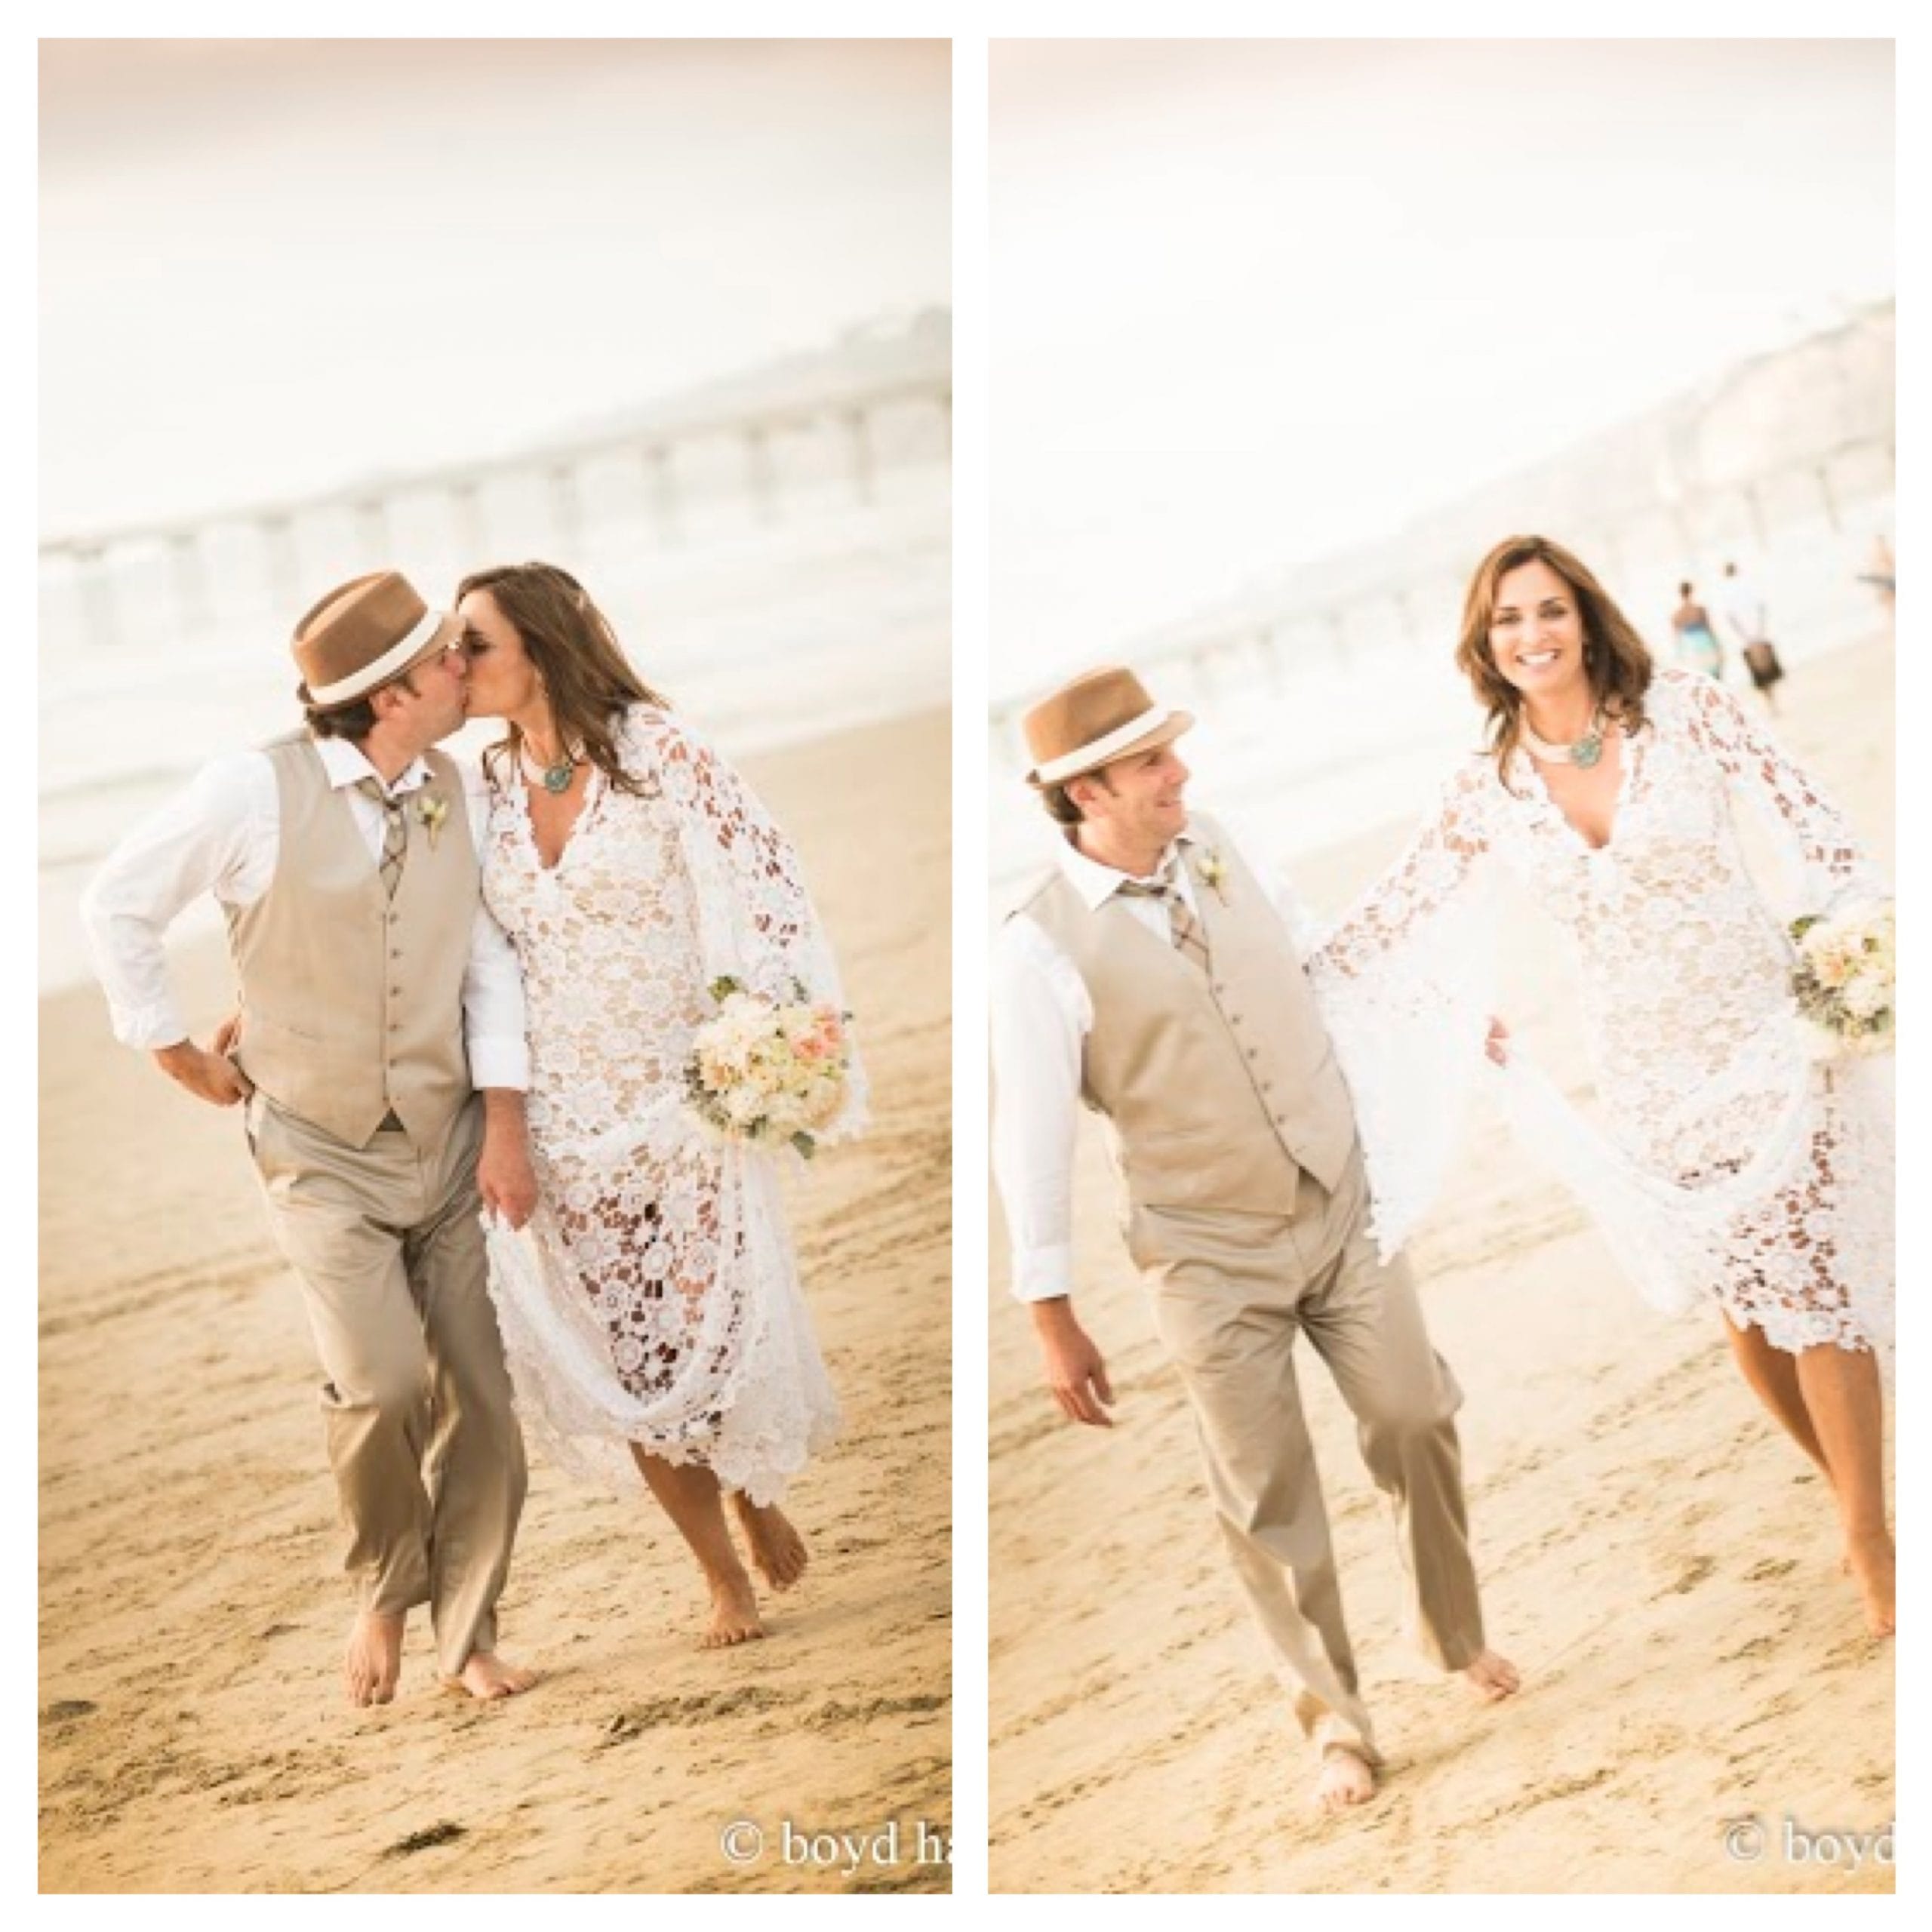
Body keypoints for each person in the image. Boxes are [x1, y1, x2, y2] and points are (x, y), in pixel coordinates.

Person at [1309, 535, 1894, 1639]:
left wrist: (1846, 948)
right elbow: (1385, 922)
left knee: (1813, 1283)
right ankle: (1856, 1496)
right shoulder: (1482, 790)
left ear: (1586, 618)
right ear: (1484, 648)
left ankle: (1870, 1542)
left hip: (1767, 1035)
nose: (1531, 636)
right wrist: (1330, 999)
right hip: (1647, 1079)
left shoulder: (1689, 711)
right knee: (1748, 1311)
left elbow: (1815, 823)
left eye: (1548, 611)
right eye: (1507, 621)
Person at [989, 666, 1519, 1817]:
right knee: (1269, 1493)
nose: (1180, 773)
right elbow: (1025, 1136)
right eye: (1151, 764)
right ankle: (1338, 1726)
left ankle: (1452, 1628)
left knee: (1415, 1411)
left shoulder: (1228, 848)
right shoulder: (1034, 951)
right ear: (1087, 792)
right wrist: (1050, 1309)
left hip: (1340, 1203)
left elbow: (1323, 962)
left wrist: (1438, 1016)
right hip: (1205, 1255)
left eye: (1172, 755)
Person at [81, 569, 540, 1707]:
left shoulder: (460, 789)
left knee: (481, 1391)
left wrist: (502, 1121)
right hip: (317, 1149)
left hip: (445, 1138)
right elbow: (117, 902)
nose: (461, 670)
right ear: (388, 696)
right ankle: (389, 1585)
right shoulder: (251, 790)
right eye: (445, 658)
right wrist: (173, 1048)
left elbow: (485, 961)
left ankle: (468, 1632)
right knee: (382, 1386)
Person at [454, 561, 857, 1650]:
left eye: (475, 643)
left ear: (538, 645)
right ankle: (720, 1578)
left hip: (679, 1103)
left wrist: (759, 1039)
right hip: (561, 1123)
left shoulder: (655, 749)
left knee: (706, 1328)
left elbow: (769, 879)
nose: (457, 664)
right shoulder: (484, 785)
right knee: (631, 1360)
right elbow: (451, 945)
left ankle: (752, 1484)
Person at [1718, 558, 1784, 712]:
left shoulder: (1726, 591)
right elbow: (1762, 608)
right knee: (1768, 670)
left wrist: (1744, 636)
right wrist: (1761, 630)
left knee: (1759, 674)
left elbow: (1731, 618)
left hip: (1745, 639)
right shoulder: (1749, 585)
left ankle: (1770, 703)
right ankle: (1774, 702)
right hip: (1760, 634)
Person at [1669, 581, 1725, 681]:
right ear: (1692, 591)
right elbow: (1710, 629)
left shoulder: (1677, 615)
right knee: (1715, 677)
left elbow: (1677, 639)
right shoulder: (1700, 609)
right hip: (1706, 644)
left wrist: (1680, 657)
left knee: (1701, 679)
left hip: (1691, 648)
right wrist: (1718, 647)